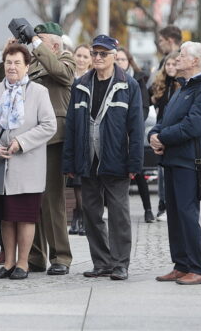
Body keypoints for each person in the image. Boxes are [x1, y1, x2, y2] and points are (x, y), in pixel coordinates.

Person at [0, 22, 75, 276]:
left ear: (54, 44)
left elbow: (63, 75)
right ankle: (35, 256)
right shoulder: (35, 62)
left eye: (40, 40)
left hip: (52, 139)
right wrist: (7, 52)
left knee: (52, 200)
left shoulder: (64, 58)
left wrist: (36, 44)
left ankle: (61, 255)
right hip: (22, 140)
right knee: (31, 202)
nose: (33, 44)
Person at [63, 35, 144, 281]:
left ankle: (120, 263)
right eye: (94, 53)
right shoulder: (80, 85)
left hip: (116, 160)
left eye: (103, 54)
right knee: (91, 213)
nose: (97, 58)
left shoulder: (128, 85)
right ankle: (102, 262)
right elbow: (71, 127)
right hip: (87, 161)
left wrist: (135, 163)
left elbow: (136, 128)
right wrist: (69, 163)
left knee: (119, 214)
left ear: (113, 57)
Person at [149, 41, 201, 286]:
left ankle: (198, 268)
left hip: (190, 160)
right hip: (173, 159)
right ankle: (181, 264)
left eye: (182, 55)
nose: (177, 58)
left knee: (187, 215)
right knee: (175, 215)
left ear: (195, 61)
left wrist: (163, 138)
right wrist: (154, 134)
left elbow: (194, 125)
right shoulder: (183, 87)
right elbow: (166, 118)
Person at [0, 43, 55, 280]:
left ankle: (23, 263)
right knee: (5, 217)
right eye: (8, 62)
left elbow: (49, 126)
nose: (12, 67)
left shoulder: (38, 92)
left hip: (27, 163)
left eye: (17, 63)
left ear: (27, 66)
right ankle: (8, 262)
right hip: (0, 164)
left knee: (24, 216)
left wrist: (21, 142)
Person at [116, 47, 154, 223]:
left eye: (123, 59)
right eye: (116, 59)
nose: (119, 63)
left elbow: (144, 106)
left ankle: (148, 209)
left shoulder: (137, 79)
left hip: (133, 131)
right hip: (116, 133)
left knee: (138, 173)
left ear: (129, 62)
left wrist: (135, 124)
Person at [149, 51, 180, 222]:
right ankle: (162, 206)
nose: (170, 67)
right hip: (160, 131)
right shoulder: (160, 84)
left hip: (174, 131)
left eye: (174, 64)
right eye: (168, 64)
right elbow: (146, 98)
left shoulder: (181, 85)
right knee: (161, 172)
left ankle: (171, 206)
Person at [68, 44, 93, 235]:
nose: (82, 60)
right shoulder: (68, 76)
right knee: (74, 178)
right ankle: (76, 213)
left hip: (86, 129)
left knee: (83, 179)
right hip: (69, 127)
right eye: (79, 55)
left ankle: (82, 214)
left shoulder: (92, 79)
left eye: (86, 56)